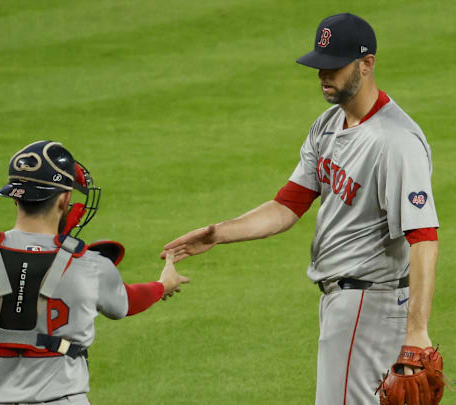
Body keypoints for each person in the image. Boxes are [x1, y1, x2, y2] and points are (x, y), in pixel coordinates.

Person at [163, 13, 441, 405]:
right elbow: (288, 204)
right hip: (346, 301)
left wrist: (417, 331)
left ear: (367, 63)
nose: (324, 76)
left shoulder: (397, 142)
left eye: (335, 66)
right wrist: (218, 232)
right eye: (320, 66)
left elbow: (424, 237)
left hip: (369, 302)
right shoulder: (327, 125)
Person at [0, 140, 189, 405]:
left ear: (15, 198)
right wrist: (163, 285)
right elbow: (127, 302)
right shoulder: (89, 264)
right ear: (64, 199)